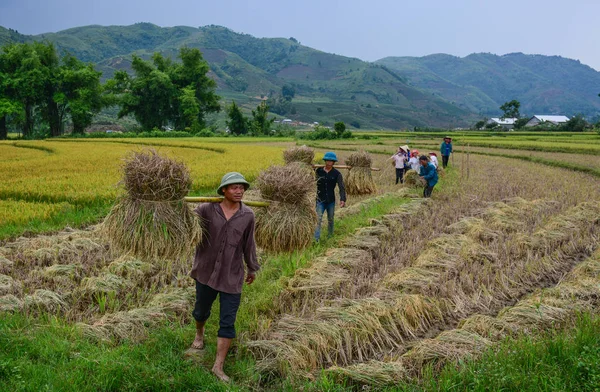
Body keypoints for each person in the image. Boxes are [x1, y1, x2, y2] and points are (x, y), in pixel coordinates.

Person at [190, 172, 260, 382]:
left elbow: (249, 244)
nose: (239, 191)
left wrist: (252, 267)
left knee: (227, 322)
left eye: (242, 187)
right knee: (201, 311)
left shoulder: (247, 215)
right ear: (223, 190)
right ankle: (199, 334)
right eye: (234, 187)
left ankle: (218, 366)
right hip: (205, 271)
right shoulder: (205, 209)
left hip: (232, 274)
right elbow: (187, 226)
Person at [314, 151, 346, 241]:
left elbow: (341, 187)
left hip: (331, 201)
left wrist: (342, 199)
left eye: (331, 161)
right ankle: (316, 239)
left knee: (330, 219)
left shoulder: (337, 174)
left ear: (333, 162)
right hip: (320, 200)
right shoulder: (318, 171)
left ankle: (330, 236)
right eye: (327, 160)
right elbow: (310, 179)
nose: (329, 162)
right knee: (318, 220)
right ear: (325, 161)